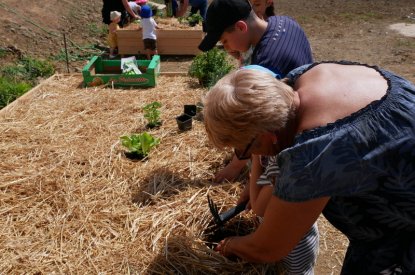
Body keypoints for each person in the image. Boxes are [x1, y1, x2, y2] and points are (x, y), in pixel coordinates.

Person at [203, 62, 415, 274]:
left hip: (403, 239)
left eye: (245, 150)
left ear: (267, 135)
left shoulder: (311, 155)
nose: (246, 156)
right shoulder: (302, 77)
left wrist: (229, 245)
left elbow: (266, 248)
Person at [199, 0, 313, 185]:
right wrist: (243, 54)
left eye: (225, 41)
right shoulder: (284, 22)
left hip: (288, 134)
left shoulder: (265, 65)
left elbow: (253, 125)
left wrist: (236, 165)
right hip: (307, 101)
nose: (227, 48)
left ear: (241, 27)